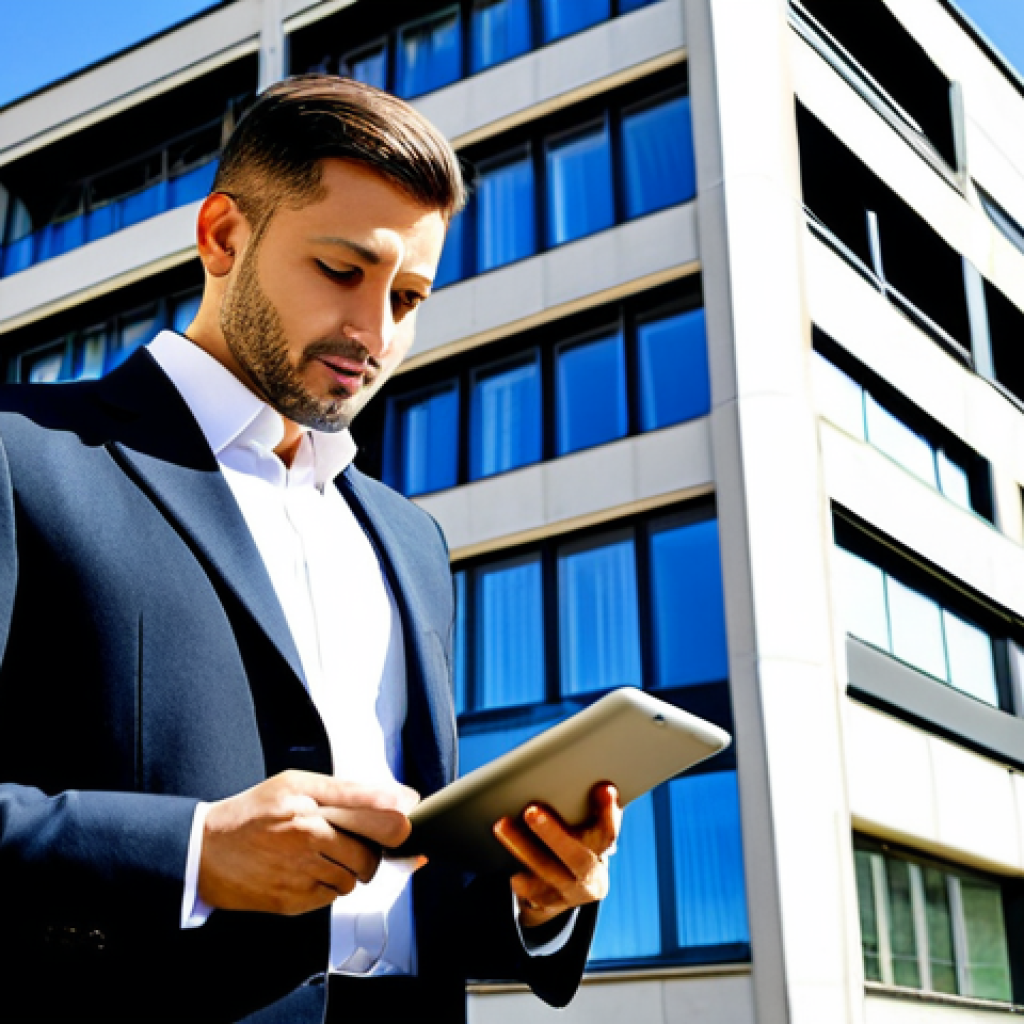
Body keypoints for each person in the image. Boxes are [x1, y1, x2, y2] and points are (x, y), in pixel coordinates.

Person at [0, 76, 621, 1024]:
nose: (375, 334)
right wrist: (194, 852)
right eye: (340, 270)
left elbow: (405, 889)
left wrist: (534, 899)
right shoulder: (20, 454)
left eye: (408, 297)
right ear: (223, 237)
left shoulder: (411, 539)